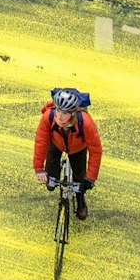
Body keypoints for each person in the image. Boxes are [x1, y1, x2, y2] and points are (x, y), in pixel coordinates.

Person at [32, 88, 102, 221]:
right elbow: (41, 141)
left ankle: (80, 200)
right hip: (56, 144)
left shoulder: (85, 122)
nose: (59, 116)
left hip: (78, 148)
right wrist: (39, 168)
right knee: (50, 184)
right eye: (57, 110)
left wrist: (90, 178)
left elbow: (96, 151)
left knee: (79, 179)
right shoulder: (49, 116)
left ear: (73, 113)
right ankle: (56, 168)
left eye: (64, 113)